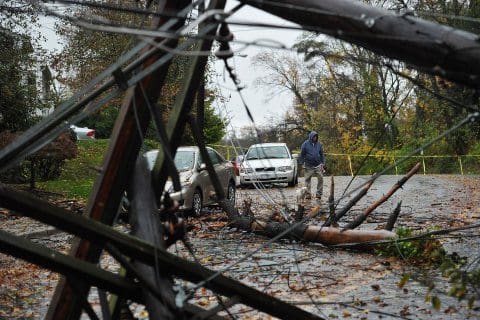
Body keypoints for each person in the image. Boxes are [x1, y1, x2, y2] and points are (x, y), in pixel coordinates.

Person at [298, 131, 325, 199]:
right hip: (308, 165)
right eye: (314, 137)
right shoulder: (305, 144)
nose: (315, 138)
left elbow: (322, 154)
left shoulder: (319, 144)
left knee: (320, 178)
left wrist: (323, 162)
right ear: (311, 137)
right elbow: (302, 154)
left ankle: (319, 194)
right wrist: (301, 163)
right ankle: (308, 194)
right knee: (307, 180)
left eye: (316, 137)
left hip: (318, 165)